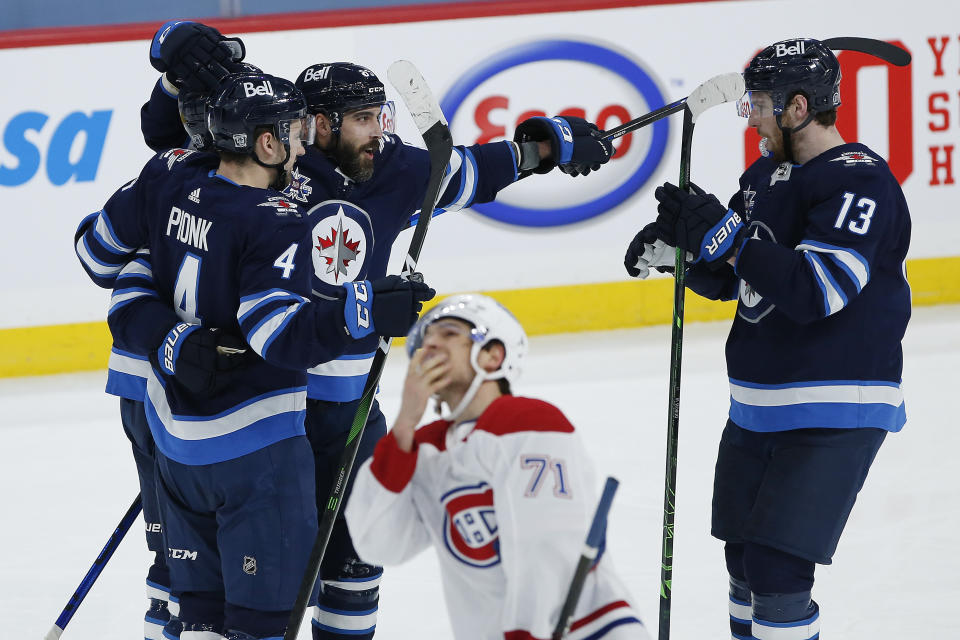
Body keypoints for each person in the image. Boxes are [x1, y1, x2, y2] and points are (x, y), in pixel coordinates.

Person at [138, 36, 617, 640]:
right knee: (259, 590)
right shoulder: (270, 161)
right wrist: (174, 84)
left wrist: (544, 147)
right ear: (313, 124)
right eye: (362, 119)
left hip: (350, 413)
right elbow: (175, 145)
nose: (377, 132)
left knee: (355, 568)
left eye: (379, 116)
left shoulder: (393, 168)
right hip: (269, 407)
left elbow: (469, 169)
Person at [89, 70, 434, 640]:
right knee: (262, 625)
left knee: (193, 612)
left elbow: (117, 275)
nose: (305, 146)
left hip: (176, 439)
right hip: (258, 448)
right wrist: (364, 310)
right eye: (295, 132)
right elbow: (276, 335)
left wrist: (168, 341)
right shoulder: (274, 219)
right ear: (266, 143)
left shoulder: (173, 182)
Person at [624, 38, 911, 640]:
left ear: (798, 107)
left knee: (778, 570)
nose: (750, 116)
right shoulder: (764, 176)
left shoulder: (860, 181)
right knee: (743, 564)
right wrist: (682, 253)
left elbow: (817, 289)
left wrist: (726, 237)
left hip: (833, 406)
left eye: (758, 104)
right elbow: (740, 278)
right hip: (757, 409)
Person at [73, 21, 249, 638]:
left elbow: (97, 257)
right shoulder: (199, 180)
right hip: (179, 387)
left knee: (184, 561)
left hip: (168, 384)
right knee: (202, 564)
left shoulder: (164, 177)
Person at [345, 294, 649, 640]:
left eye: (448, 333)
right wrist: (403, 427)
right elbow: (378, 544)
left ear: (493, 355)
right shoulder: (426, 448)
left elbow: (546, 549)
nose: (429, 343)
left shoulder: (529, 421)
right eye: (424, 339)